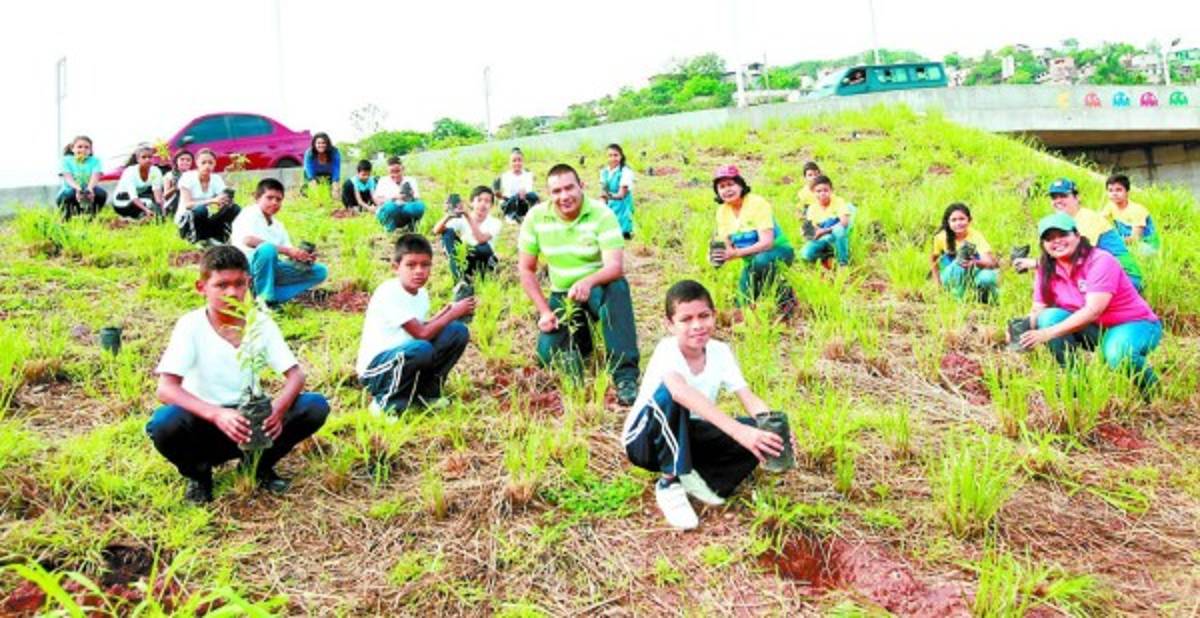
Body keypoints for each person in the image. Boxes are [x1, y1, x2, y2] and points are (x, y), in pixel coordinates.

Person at [146, 245, 330, 503]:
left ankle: (257, 465)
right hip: (206, 421)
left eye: (239, 284)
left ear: (249, 283)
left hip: (252, 422)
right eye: (221, 285)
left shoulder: (260, 323)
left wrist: (277, 409)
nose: (232, 292)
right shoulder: (191, 326)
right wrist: (217, 414)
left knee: (314, 406)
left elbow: (296, 375)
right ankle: (199, 475)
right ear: (202, 288)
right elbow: (166, 388)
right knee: (165, 422)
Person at [623, 280, 784, 530]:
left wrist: (775, 432)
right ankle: (669, 481)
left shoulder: (720, 351)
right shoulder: (667, 350)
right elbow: (679, 392)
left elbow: (747, 396)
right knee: (671, 395)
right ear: (669, 325)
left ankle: (698, 476)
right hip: (645, 441)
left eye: (704, 316)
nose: (697, 326)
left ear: (714, 316)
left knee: (759, 432)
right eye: (686, 319)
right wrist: (739, 432)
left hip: (686, 433)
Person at [517, 163, 640, 405]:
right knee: (546, 356)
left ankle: (625, 375)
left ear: (581, 186)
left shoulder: (601, 214)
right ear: (549, 194)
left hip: (598, 288)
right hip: (563, 295)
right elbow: (525, 268)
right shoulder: (536, 217)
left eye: (569, 188)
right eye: (556, 191)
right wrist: (544, 311)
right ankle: (583, 345)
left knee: (617, 287)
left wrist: (588, 281)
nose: (564, 196)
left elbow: (615, 267)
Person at [1017, 213, 1162, 394]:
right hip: (1094, 328)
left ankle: (1153, 392)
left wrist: (1047, 333)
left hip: (1133, 324)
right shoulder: (1046, 269)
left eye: (1063, 235)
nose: (1057, 242)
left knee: (1118, 355)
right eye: (1049, 238)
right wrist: (1021, 331)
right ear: (1043, 245)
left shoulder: (1100, 260)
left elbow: (1093, 310)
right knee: (1048, 317)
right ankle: (1079, 382)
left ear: (1077, 235)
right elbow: (1039, 309)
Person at [357, 234, 474, 413]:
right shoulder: (389, 292)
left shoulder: (421, 294)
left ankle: (426, 393)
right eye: (411, 265)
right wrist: (454, 313)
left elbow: (420, 327)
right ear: (396, 267)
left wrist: (446, 312)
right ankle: (385, 403)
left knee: (457, 331)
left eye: (425, 265)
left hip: (405, 357)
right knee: (421, 347)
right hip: (377, 370)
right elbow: (422, 334)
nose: (419, 271)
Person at [1015, 178, 1143, 290]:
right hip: (1098, 274)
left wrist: (1036, 263)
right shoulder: (1065, 223)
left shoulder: (1087, 218)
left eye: (1063, 196)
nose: (1058, 201)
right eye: (1054, 197)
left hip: (1125, 275)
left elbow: (1076, 256)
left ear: (1077, 197)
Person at [709, 165, 796, 310]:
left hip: (777, 251)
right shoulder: (722, 212)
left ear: (741, 185)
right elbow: (725, 243)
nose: (727, 189)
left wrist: (736, 254)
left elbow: (767, 243)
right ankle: (765, 293)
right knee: (742, 303)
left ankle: (785, 297)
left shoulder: (757, 203)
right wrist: (716, 257)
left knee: (761, 261)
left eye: (731, 184)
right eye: (722, 186)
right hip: (751, 262)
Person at [230, 178, 328, 305]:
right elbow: (248, 240)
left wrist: (302, 257)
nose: (274, 202)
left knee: (320, 271)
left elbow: (289, 251)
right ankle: (264, 299)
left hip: (270, 269)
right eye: (269, 198)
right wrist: (288, 251)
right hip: (245, 267)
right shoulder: (249, 213)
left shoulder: (278, 226)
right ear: (258, 198)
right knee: (267, 249)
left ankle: (269, 296)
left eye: (278, 199)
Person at [930, 203, 999, 302]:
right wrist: (937, 284)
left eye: (962, 219)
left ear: (969, 220)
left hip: (972, 272)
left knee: (987, 278)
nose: (958, 223)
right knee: (961, 258)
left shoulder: (976, 236)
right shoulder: (941, 237)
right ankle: (958, 298)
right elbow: (933, 260)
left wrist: (974, 262)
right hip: (950, 276)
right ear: (948, 223)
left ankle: (991, 299)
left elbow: (991, 262)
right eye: (954, 220)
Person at [432, 186, 501, 283]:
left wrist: (468, 216)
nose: (482, 204)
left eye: (487, 201)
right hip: (465, 258)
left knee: (484, 247)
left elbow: (481, 239)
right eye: (479, 200)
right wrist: (449, 215)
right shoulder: (462, 219)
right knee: (447, 233)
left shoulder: (495, 222)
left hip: (483, 259)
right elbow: (436, 231)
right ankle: (459, 278)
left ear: (492, 205)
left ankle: (466, 276)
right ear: (472, 202)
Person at [176, 148, 241, 245]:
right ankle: (195, 239)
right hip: (187, 219)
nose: (207, 166)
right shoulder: (187, 177)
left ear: (214, 164)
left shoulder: (216, 179)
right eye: (204, 162)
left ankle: (220, 236)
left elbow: (222, 200)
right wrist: (212, 201)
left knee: (234, 208)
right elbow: (187, 205)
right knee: (201, 210)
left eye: (210, 163)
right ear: (197, 163)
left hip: (207, 217)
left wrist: (226, 200)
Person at [799, 175, 853, 267]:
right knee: (805, 254)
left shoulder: (838, 202)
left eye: (825, 190)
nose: (822, 193)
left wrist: (824, 231)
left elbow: (844, 222)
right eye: (818, 191)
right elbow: (812, 229)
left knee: (839, 231)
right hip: (823, 237)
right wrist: (807, 233)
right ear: (813, 192)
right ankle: (828, 256)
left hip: (835, 233)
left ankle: (843, 262)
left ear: (831, 190)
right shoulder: (812, 208)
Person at [1100, 174, 1159, 256]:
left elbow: (1136, 239)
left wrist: (1113, 241)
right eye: (1110, 190)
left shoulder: (1137, 210)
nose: (1114, 193)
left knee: (1119, 252)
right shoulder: (1110, 206)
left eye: (1118, 190)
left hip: (1146, 245)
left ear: (1127, 192)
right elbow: (1099, 222)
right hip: (1126, 243)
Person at [56, 135, 107, 220]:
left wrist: (89, 189)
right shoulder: (66, 160)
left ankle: (92, 217)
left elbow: (95, 176)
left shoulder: (95, 161)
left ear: (90, 150)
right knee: (67, 195)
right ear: (73, 148)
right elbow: (68, 178)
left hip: (88, 190)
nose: (83, 150)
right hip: (70, 191)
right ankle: (67, 217)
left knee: (101, 194)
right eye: (79, 147)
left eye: (87, 147)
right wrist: (78, 189)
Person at [373, 156, 426, 232]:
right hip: (388, 212)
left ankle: (412, 225)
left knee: (419, 206)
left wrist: (412, 196)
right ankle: (389, 229)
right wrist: (394, 198)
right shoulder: (383, 181)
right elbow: (377, 201)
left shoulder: (411, 180)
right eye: (392, 172)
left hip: (405, 210)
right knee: (390, 207)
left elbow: (417, 199)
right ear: (387, 171)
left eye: (398, 171)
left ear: (403, 169)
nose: (395, 174)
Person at [112, 144, 165, 220]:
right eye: (144, 157)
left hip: (140, 197)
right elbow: (133, 196)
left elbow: (157, 193)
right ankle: (137, 216)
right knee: (148, 203)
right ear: (137, 159)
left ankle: (145, 216)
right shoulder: (130, 172)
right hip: (122, 201)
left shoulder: (155, 171)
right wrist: (146, 210)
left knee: (158, 201)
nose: (147, 160)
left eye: (150, 157)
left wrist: (161, 210)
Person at [600, 143, 635, 240]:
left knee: (623, 234)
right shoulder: (604, 172)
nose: (613, 158)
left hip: (623, 208)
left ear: (621, 156)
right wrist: (602, 203)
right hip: (610, 206)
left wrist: (606, 196)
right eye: (610, 155)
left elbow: (621, 195)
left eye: (616, 155)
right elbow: (603, 190)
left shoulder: (625, 172)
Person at [498, 148, 538, 222]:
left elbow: (529, 190)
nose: (517, 163)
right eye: (514, 161)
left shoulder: (528, 175)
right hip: (511, 202)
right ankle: (511, 215)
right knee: (510, 199)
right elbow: (508, 193)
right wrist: (518, 194)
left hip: (524, 200)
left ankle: (530, 214)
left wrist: (523, 193)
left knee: (534, 195)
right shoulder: (505, 176)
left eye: (519, 160)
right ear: (509, 163)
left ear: (523, 162)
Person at [303, 132, 341, 200]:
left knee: (332, 195)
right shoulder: (309, 154)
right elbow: (310, 175)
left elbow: (336, 171)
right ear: (314, 144)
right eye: (318, 143)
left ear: (327, 144)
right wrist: (317, 196)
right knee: (309, 194)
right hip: (313, 175)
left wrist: (335, 189)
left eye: (323, 143)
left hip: (328, 174)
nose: (321, 145)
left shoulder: (334, 152)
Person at [162, 150, 195, 219]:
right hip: (174, 205)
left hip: (190, 203)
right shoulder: (170, 175)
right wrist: (176, 187)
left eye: (188, 160)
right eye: (182, 159)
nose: (185, 162)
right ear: (176, 161)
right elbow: (165, 196)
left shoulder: (193, 175)